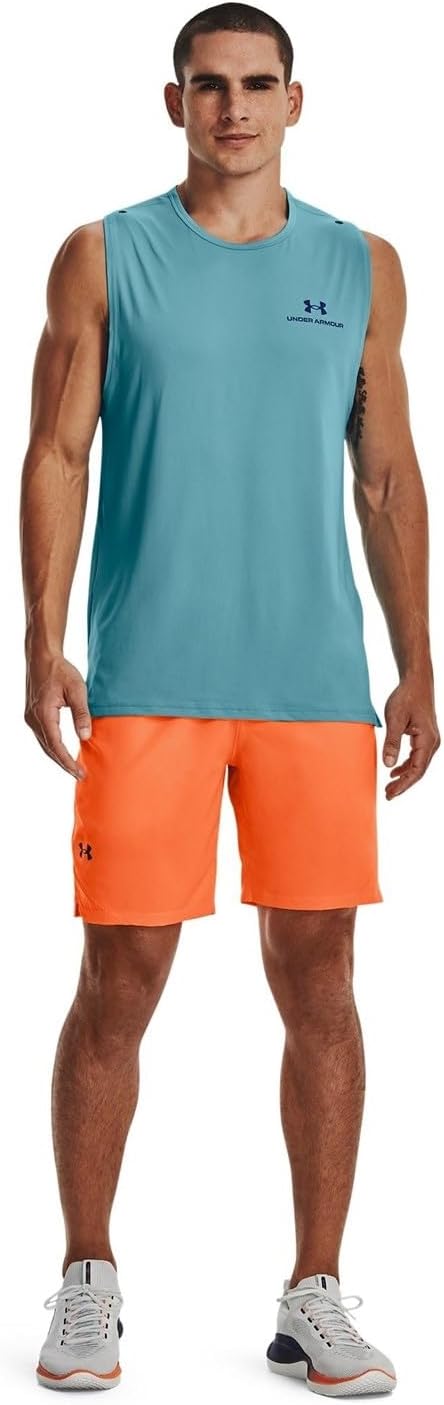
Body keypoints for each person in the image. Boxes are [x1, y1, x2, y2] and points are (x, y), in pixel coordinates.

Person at [20, 3, 439, 1396]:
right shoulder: (104, 254)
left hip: (314, 687)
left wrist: (417, 657)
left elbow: (386, 472)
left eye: (259, 84)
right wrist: (40, 639)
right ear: (175, 102)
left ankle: (315, 1293)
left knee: (322, 982)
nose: (235, 108)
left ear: (296, 101)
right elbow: (57, 452)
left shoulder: (361, 264)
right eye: (210, 86)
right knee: (119, 981)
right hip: (151, 682)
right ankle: (89, 1275)